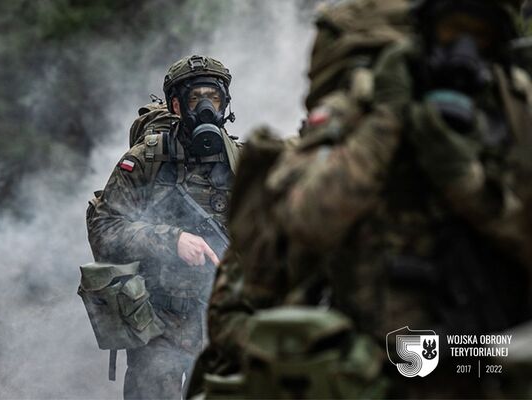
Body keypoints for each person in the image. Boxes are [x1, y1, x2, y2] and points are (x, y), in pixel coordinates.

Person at [193, 0, 532, 398]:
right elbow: (296, 229)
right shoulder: (359, 121)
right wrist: (384, 125)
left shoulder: (513, 119)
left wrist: (465, 181)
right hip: (374, 371)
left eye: (479, 37)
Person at [87, 55, 241, 399]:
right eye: (195, 98)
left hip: (222, 321)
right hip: (159, 321)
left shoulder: (241, 163)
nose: (205, 107)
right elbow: (104, 228)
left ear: (225, 102)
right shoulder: (146, 160)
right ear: (176, 104)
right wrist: (171, 240)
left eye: (213, 97)